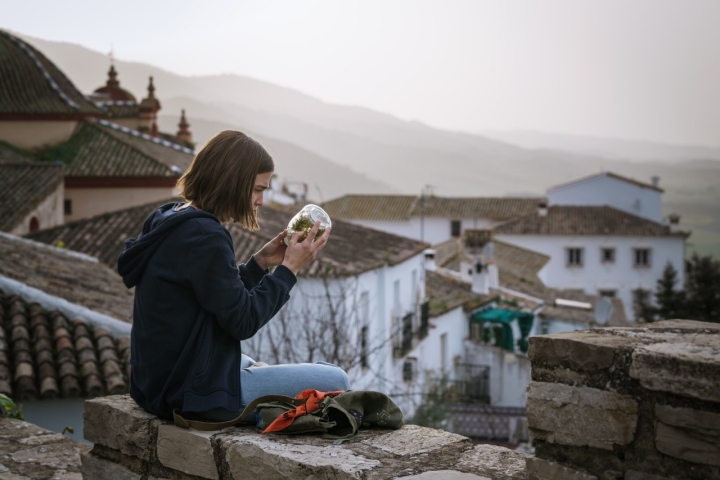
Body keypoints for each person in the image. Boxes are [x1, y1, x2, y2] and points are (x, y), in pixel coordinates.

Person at [117, 130, 350, 422]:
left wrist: (261, 263)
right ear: (231, 183)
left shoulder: (170, 218)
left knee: (254, 364)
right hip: (190, 394)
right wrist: (289, 270)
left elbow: (217, 296)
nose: (261, 200)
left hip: (155, 384)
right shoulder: (207, 236)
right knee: (337, 380)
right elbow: (242, 321)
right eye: (257, 189)